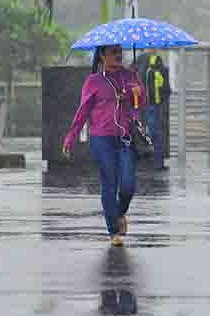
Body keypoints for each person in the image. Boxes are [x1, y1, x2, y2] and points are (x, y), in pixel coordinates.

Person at [62, 44, 147, 246]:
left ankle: (119, 214)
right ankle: (113, 232)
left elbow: (141, 103)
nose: (118, 55)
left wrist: (137, 90)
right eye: (113, 52)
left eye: (120, 51)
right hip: (101, 139)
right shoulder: (94, 81)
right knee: (110, 183)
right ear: (102, 55)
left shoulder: (130, 75)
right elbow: (83, 111)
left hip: (125, 137)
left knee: (128, 186)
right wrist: (70, 136)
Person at [137, 48, 171, 170]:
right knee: (156, 133)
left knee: (152, 133)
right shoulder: (154, 62)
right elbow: (164, 86)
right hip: (154, 104)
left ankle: (152, 160)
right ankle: (156, 162)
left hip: (145, 104)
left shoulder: (140, 61)